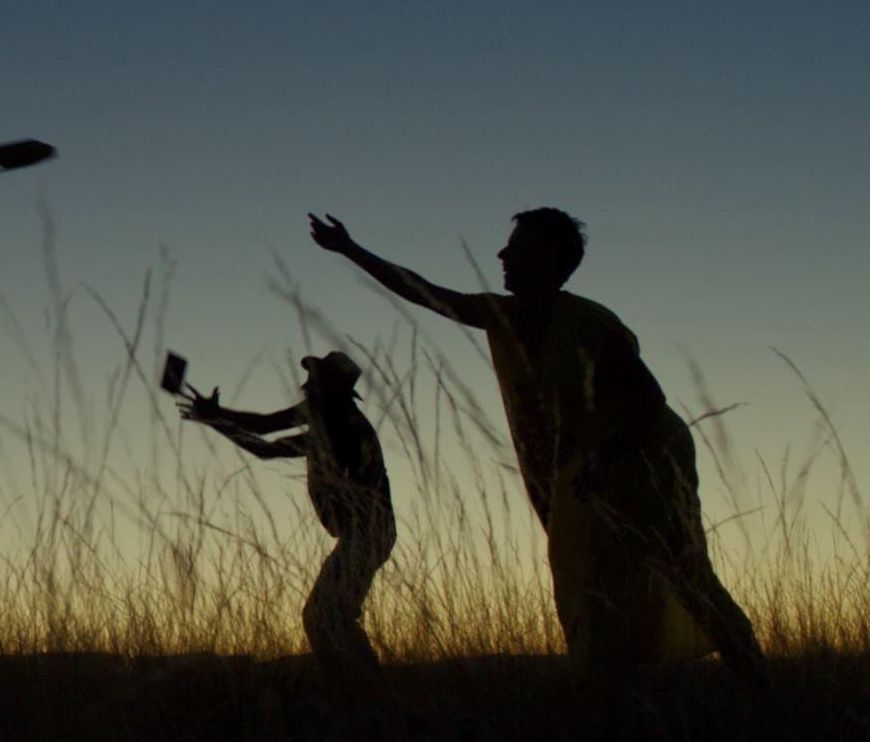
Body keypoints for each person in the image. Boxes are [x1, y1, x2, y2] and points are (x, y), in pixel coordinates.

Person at [308, 209, 764, 684]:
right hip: (586, 467)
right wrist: (350, 249)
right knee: (586, 581)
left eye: (517, 246)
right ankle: (611, 701)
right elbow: (425, 293)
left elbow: (649, 401)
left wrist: (604, 457)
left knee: (682, 574)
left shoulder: (591, 323)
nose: (502, 254)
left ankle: (755, 685)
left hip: (645, 456)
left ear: (549, 257)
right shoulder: (500, 315)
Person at [181, 352, 396, 682]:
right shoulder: (323, 412)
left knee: (322, 617)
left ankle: (363, 690)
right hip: (365, 534)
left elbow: (266, 448)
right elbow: (265, 424)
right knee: (330, 616)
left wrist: (215, 420)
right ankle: (365, 685)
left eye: (315, 377)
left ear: (330, 388)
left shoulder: (338, 426)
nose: (306, 383)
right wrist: (217, 413)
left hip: (368, 534)